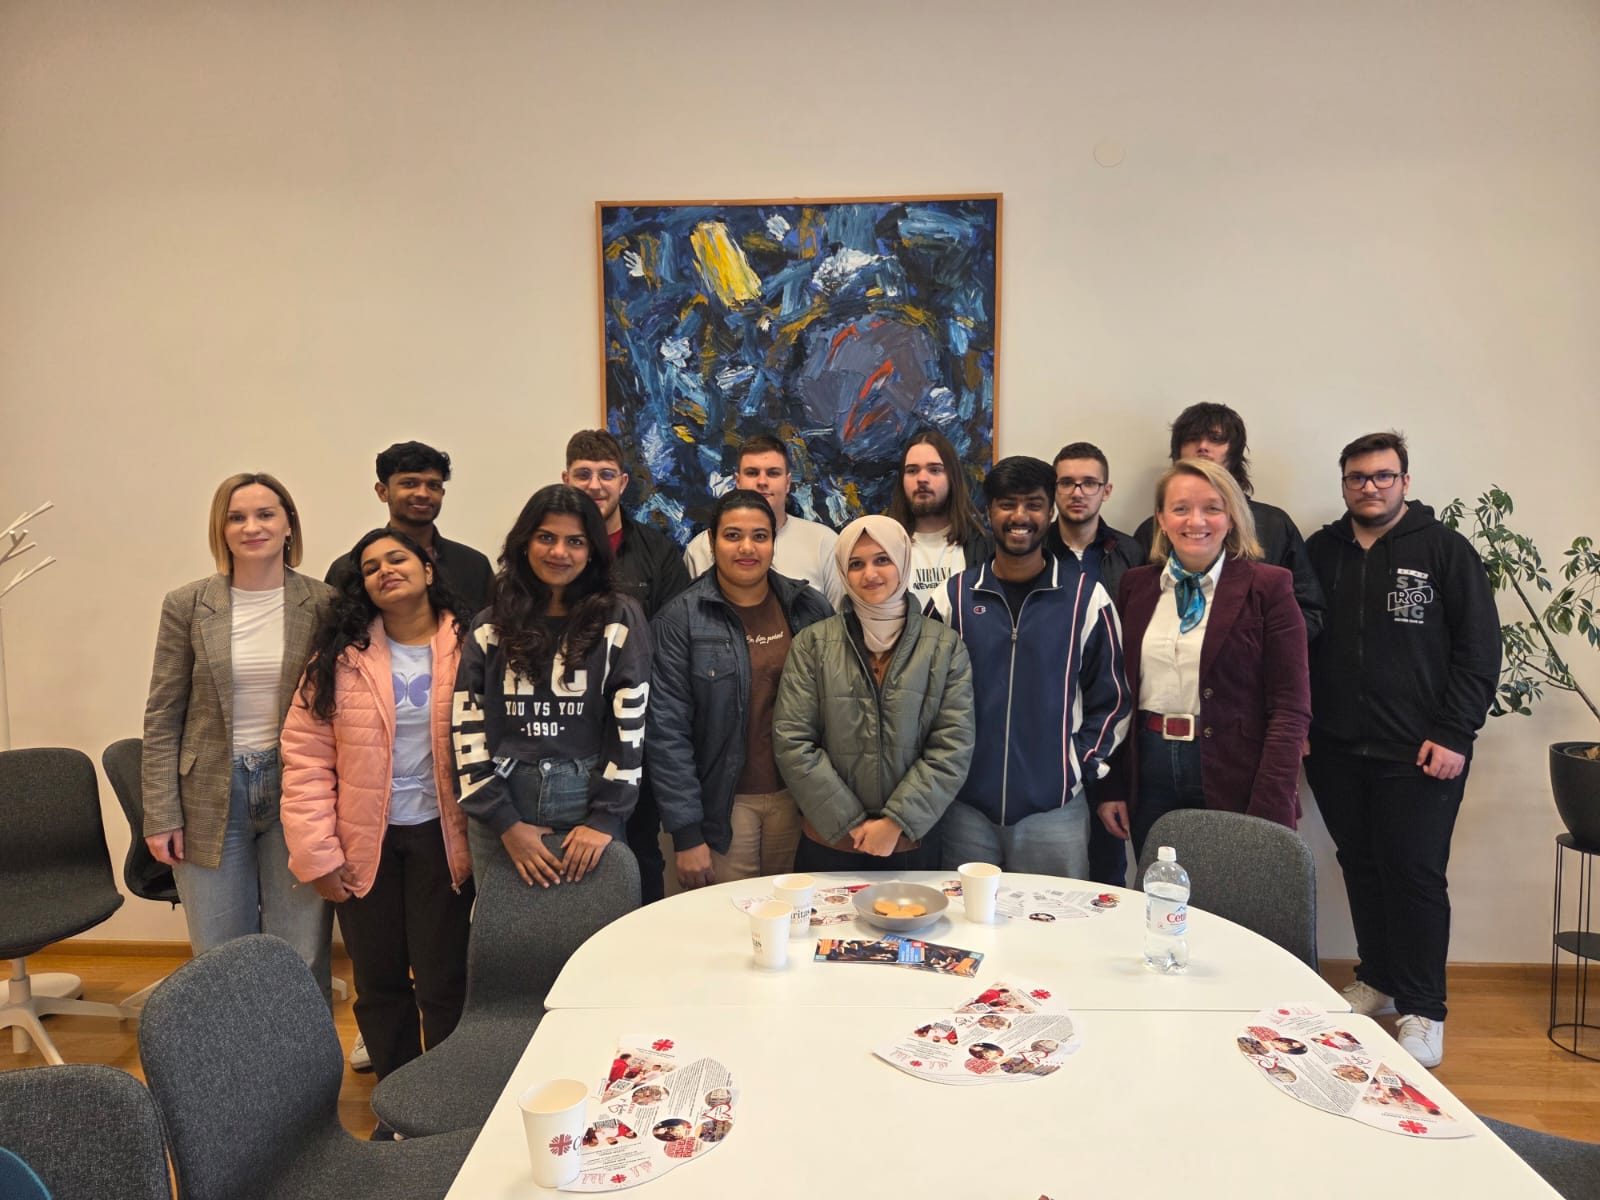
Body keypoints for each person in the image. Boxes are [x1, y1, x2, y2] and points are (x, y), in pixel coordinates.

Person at [1304, 431, 1499, 1069]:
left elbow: (1479, 650)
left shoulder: (1445, 550)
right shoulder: (1320, 551)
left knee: (1413, 872)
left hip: (1421, 751)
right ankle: (1379, 979)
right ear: (1344, 483)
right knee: (1361, 864)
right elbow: (1296, 643)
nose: (1370, 486)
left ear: (1405, 482)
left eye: (1383, 475)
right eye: (1357, 477)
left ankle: (1423, 1008)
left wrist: (1455, 733)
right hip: (1335, 748)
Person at [280, 527, 474, 1083]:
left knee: (444, 983)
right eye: (370, 567)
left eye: (397, 559)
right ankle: (397, 1101)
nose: (385, 570)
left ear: (428, 570)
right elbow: (305, 759)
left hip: (445, 839)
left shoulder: (474, 647)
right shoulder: (339, 659)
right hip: (365, 842)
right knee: (381, 984)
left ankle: (444, 1101)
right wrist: (318, 855)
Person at [141, 472, 336, 999]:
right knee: (219, 955)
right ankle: (230, 1054)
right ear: (221, 529)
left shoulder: (323, 603)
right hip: (209, 794)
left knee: (301, 950)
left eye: (265, 514)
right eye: (236, 517)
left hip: (297, 789)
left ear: (289, 525)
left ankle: (300, 1051)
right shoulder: (187, 604)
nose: (252, 527)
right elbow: (162, 714)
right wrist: (161, 813)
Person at [1096, 458, 1311, 857]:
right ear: (1161, 519)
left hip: (1236, 772)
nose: (1196, 521)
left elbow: (1290, 709)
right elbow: (1117, 693)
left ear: (1232, 517)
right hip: (1149, 769)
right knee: (1160, 889)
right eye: (1180, 508)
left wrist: (1270, 802)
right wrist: (1112, 785)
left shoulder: (1270, 588)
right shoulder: (1136, 586)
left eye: (1212, 508)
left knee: (1230, 891)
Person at [941, 456, 1132, 878]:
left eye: (1033, 504)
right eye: (1007, 504)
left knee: (1052, 918)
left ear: (1050, 512)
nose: (1020, 517)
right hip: (964, 811)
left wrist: (1077, 765)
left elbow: (1113, 699)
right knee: (963, 919)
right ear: (989, 511)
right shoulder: (952, 599)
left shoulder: (1087, 599)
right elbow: (925, 699)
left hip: (1055, 812)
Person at [452, 484, 652, 887]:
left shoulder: (619, 619)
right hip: (502, 805)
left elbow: (631, 723)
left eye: (575, 541)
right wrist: (505, 823)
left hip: (587, 801)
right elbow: (466, 725)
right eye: (546, 537)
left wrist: (606, 817)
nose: (559, 552)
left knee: (596, 922)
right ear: (525, 543)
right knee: (502, 923)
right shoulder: (490, 624)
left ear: (592, 550)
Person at [648, 489, 832, 888]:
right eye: (733, 535)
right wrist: (687, 834)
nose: (747, 547)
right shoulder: (679, 620)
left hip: (799, 800)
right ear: (712, 541)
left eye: (759, 536)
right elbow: (666, 733)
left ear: (773, 543)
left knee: (797, 916)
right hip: (723, 809)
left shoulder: (809, 607)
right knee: (728, 919)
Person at [773, 515, 975, 872]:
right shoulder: (812, 644)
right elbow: (793, 741)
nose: (870, 574)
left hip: (911, 842)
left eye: (882, 559)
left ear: (902, 561)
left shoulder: (944, 646)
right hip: (829, 842)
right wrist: (852, 824)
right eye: (856, 564)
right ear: (842, 571)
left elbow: (952, 746)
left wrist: (895, 822)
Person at [563, 428, 691, 903]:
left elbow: (675, 644)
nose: (595, 485)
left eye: (605, 474)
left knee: (640, 854)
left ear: (622, 482)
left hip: (638, 730)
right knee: (570, 854)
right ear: (565, 479)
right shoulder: (550, 552)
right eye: (583, 474)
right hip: (566, 730)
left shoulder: (657, 552)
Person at [1132, 403, 1327, 642]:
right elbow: (1135, 611)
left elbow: (1310, 612)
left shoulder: (1274, 525)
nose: (1203, 447)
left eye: (1216, 439)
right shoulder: (1152, 530)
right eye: (1192, 438)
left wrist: (1254, 646)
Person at [1045, 441, 1145, 887]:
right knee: (1046, 875)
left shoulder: (1132, 554)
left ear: (1107, 490)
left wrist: (1111, 779)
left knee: (1107, 870)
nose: (1077, 492)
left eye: (1089, 483)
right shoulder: (1032, 550)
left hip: (1113, 727)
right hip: (1049, 726)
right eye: (1067, 482)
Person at [325, 441, 495, 618]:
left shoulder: (473, 566)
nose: (423, 493)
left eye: (433, 485)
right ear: (382, 491)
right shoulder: (349, 568)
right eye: (409, 483)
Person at [681, 433, 843, 608]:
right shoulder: (700, 549)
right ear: (737, 481)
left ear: (788, 483)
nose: (762, 482)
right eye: (752, 473)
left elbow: (839, 619)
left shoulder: (824, 542)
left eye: (773, 473)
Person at [886, 430, 991, 619]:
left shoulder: (984, 547)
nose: (922, 479)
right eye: (912, 471)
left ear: (952, 478)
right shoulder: (885, 548)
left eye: (934, 470)